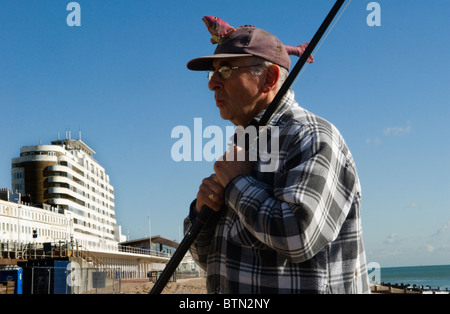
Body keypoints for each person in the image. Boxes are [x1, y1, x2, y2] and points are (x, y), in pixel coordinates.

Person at [184, 19, 371, 294]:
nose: (212, 83)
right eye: (212, 72)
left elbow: (299, 236)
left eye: (225, 70)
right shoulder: (242, 146)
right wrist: (202, 211)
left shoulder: (311, 136)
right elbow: (207, 259)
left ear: (269, 79)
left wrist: (236, 184)